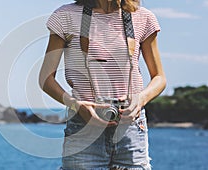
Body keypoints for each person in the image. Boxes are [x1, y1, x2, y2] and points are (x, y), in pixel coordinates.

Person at [39, 0, 166, 169]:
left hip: (131, 126)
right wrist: (76, 105)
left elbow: (159, 78)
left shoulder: (144, 18)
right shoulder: (65, 16)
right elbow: (45, 79)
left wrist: (140, 99)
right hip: (83, 126)